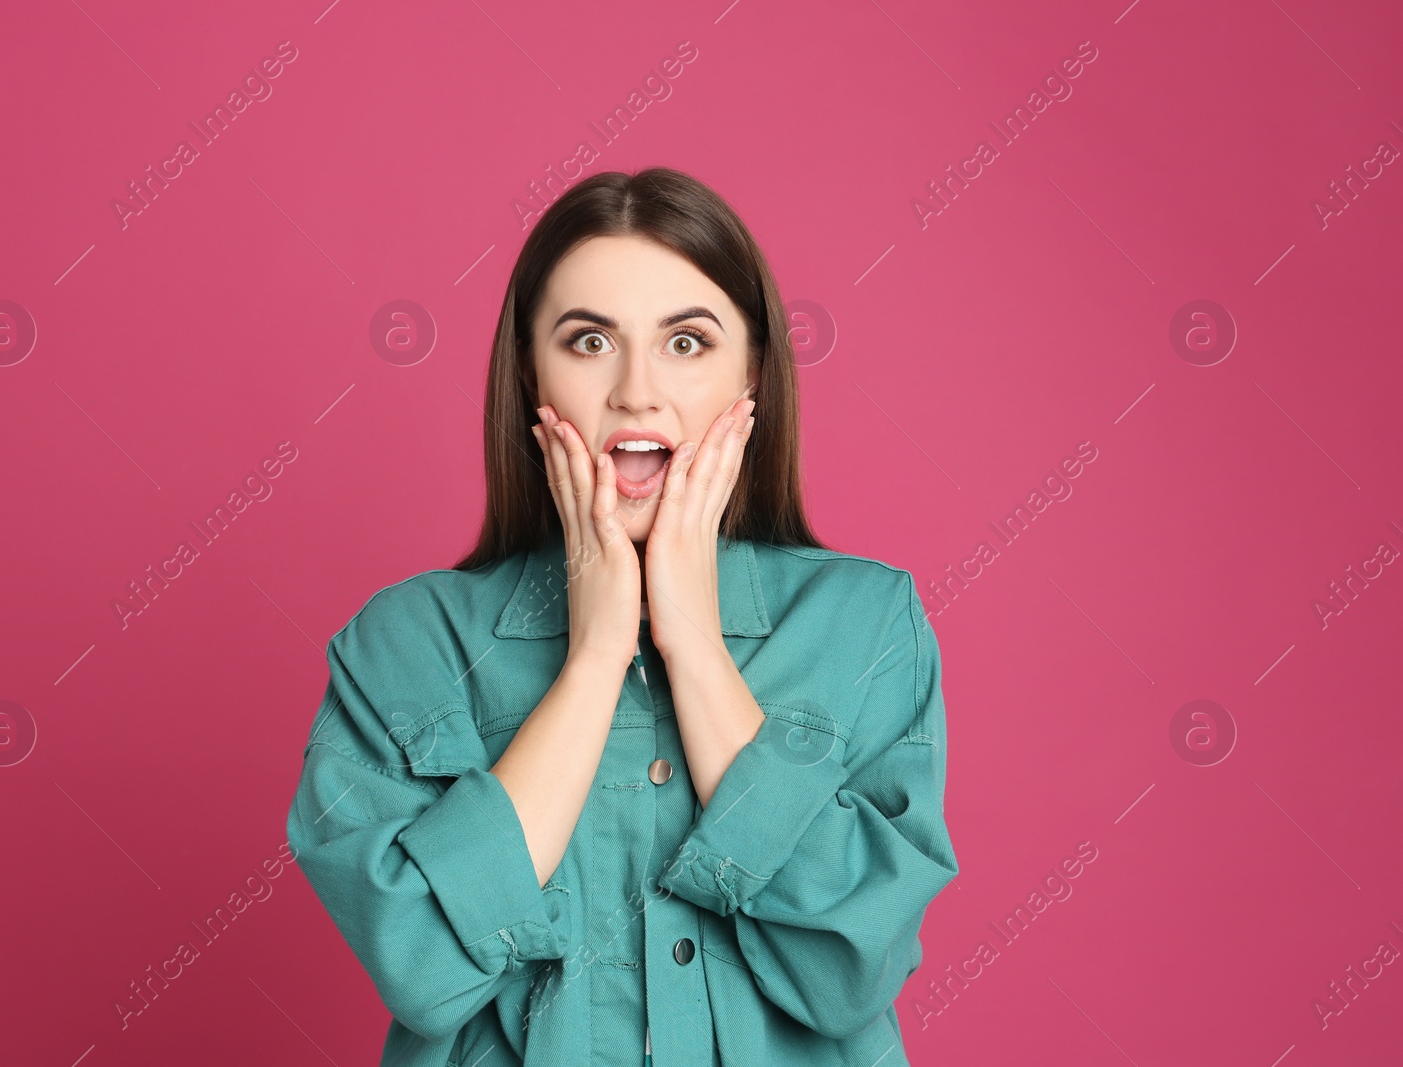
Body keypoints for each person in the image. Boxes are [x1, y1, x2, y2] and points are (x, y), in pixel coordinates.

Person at [286, 167, 959, 1066]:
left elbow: (849, 969)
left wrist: (691, 640)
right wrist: (597, 653)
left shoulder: (869, 623)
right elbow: (421, 962)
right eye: (590, 340)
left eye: (687, 342)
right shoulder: (402, 644)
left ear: (751, 370)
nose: (637, 392)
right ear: (530, 368)